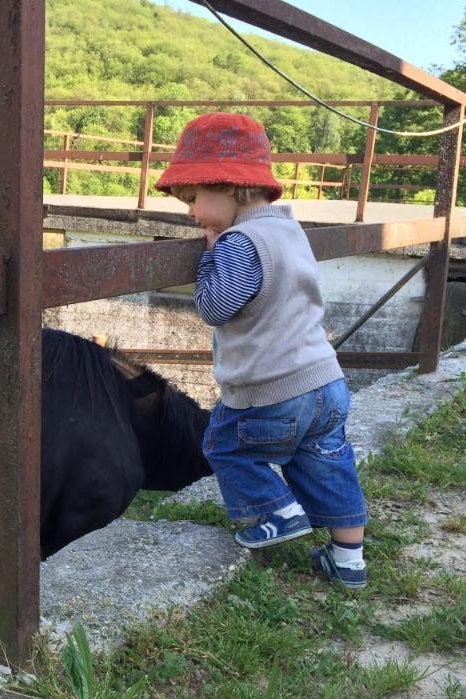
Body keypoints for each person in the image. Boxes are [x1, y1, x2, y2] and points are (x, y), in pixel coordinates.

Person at [154, 112, 368, 589]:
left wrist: (210, 252)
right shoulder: (290, 229)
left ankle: (276, 513)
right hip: (326, 383)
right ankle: (349, 560)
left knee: (224, 445)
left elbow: (216, 305)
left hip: (273, 388)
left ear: (230, 188)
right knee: (327, 459)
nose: (190, 212)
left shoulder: (238, 241)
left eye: (193, 198)